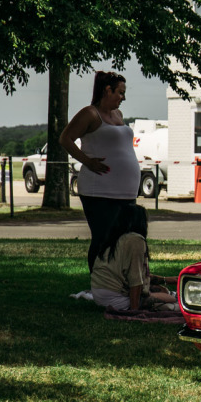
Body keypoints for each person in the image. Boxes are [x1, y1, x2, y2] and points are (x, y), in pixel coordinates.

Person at [60, 70, 140, 270]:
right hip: (99, 190)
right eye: (120, 93)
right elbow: (65, 139)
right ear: (107, 90)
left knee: (123, 240)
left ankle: (117, 280)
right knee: (103, 237)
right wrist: (87, 161)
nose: (123, 98)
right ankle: (98, 281)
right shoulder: (90, 114)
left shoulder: (118, 115)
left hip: (126, 192)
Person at [90, 204, 175, 311]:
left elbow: (135, 275)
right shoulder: (135, 240)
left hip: (99, 293)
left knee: (163, 291)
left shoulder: (116, 238)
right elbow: (135, 278)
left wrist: (167, 280)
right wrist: (135, 310)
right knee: (171, 299)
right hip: (115, 297)